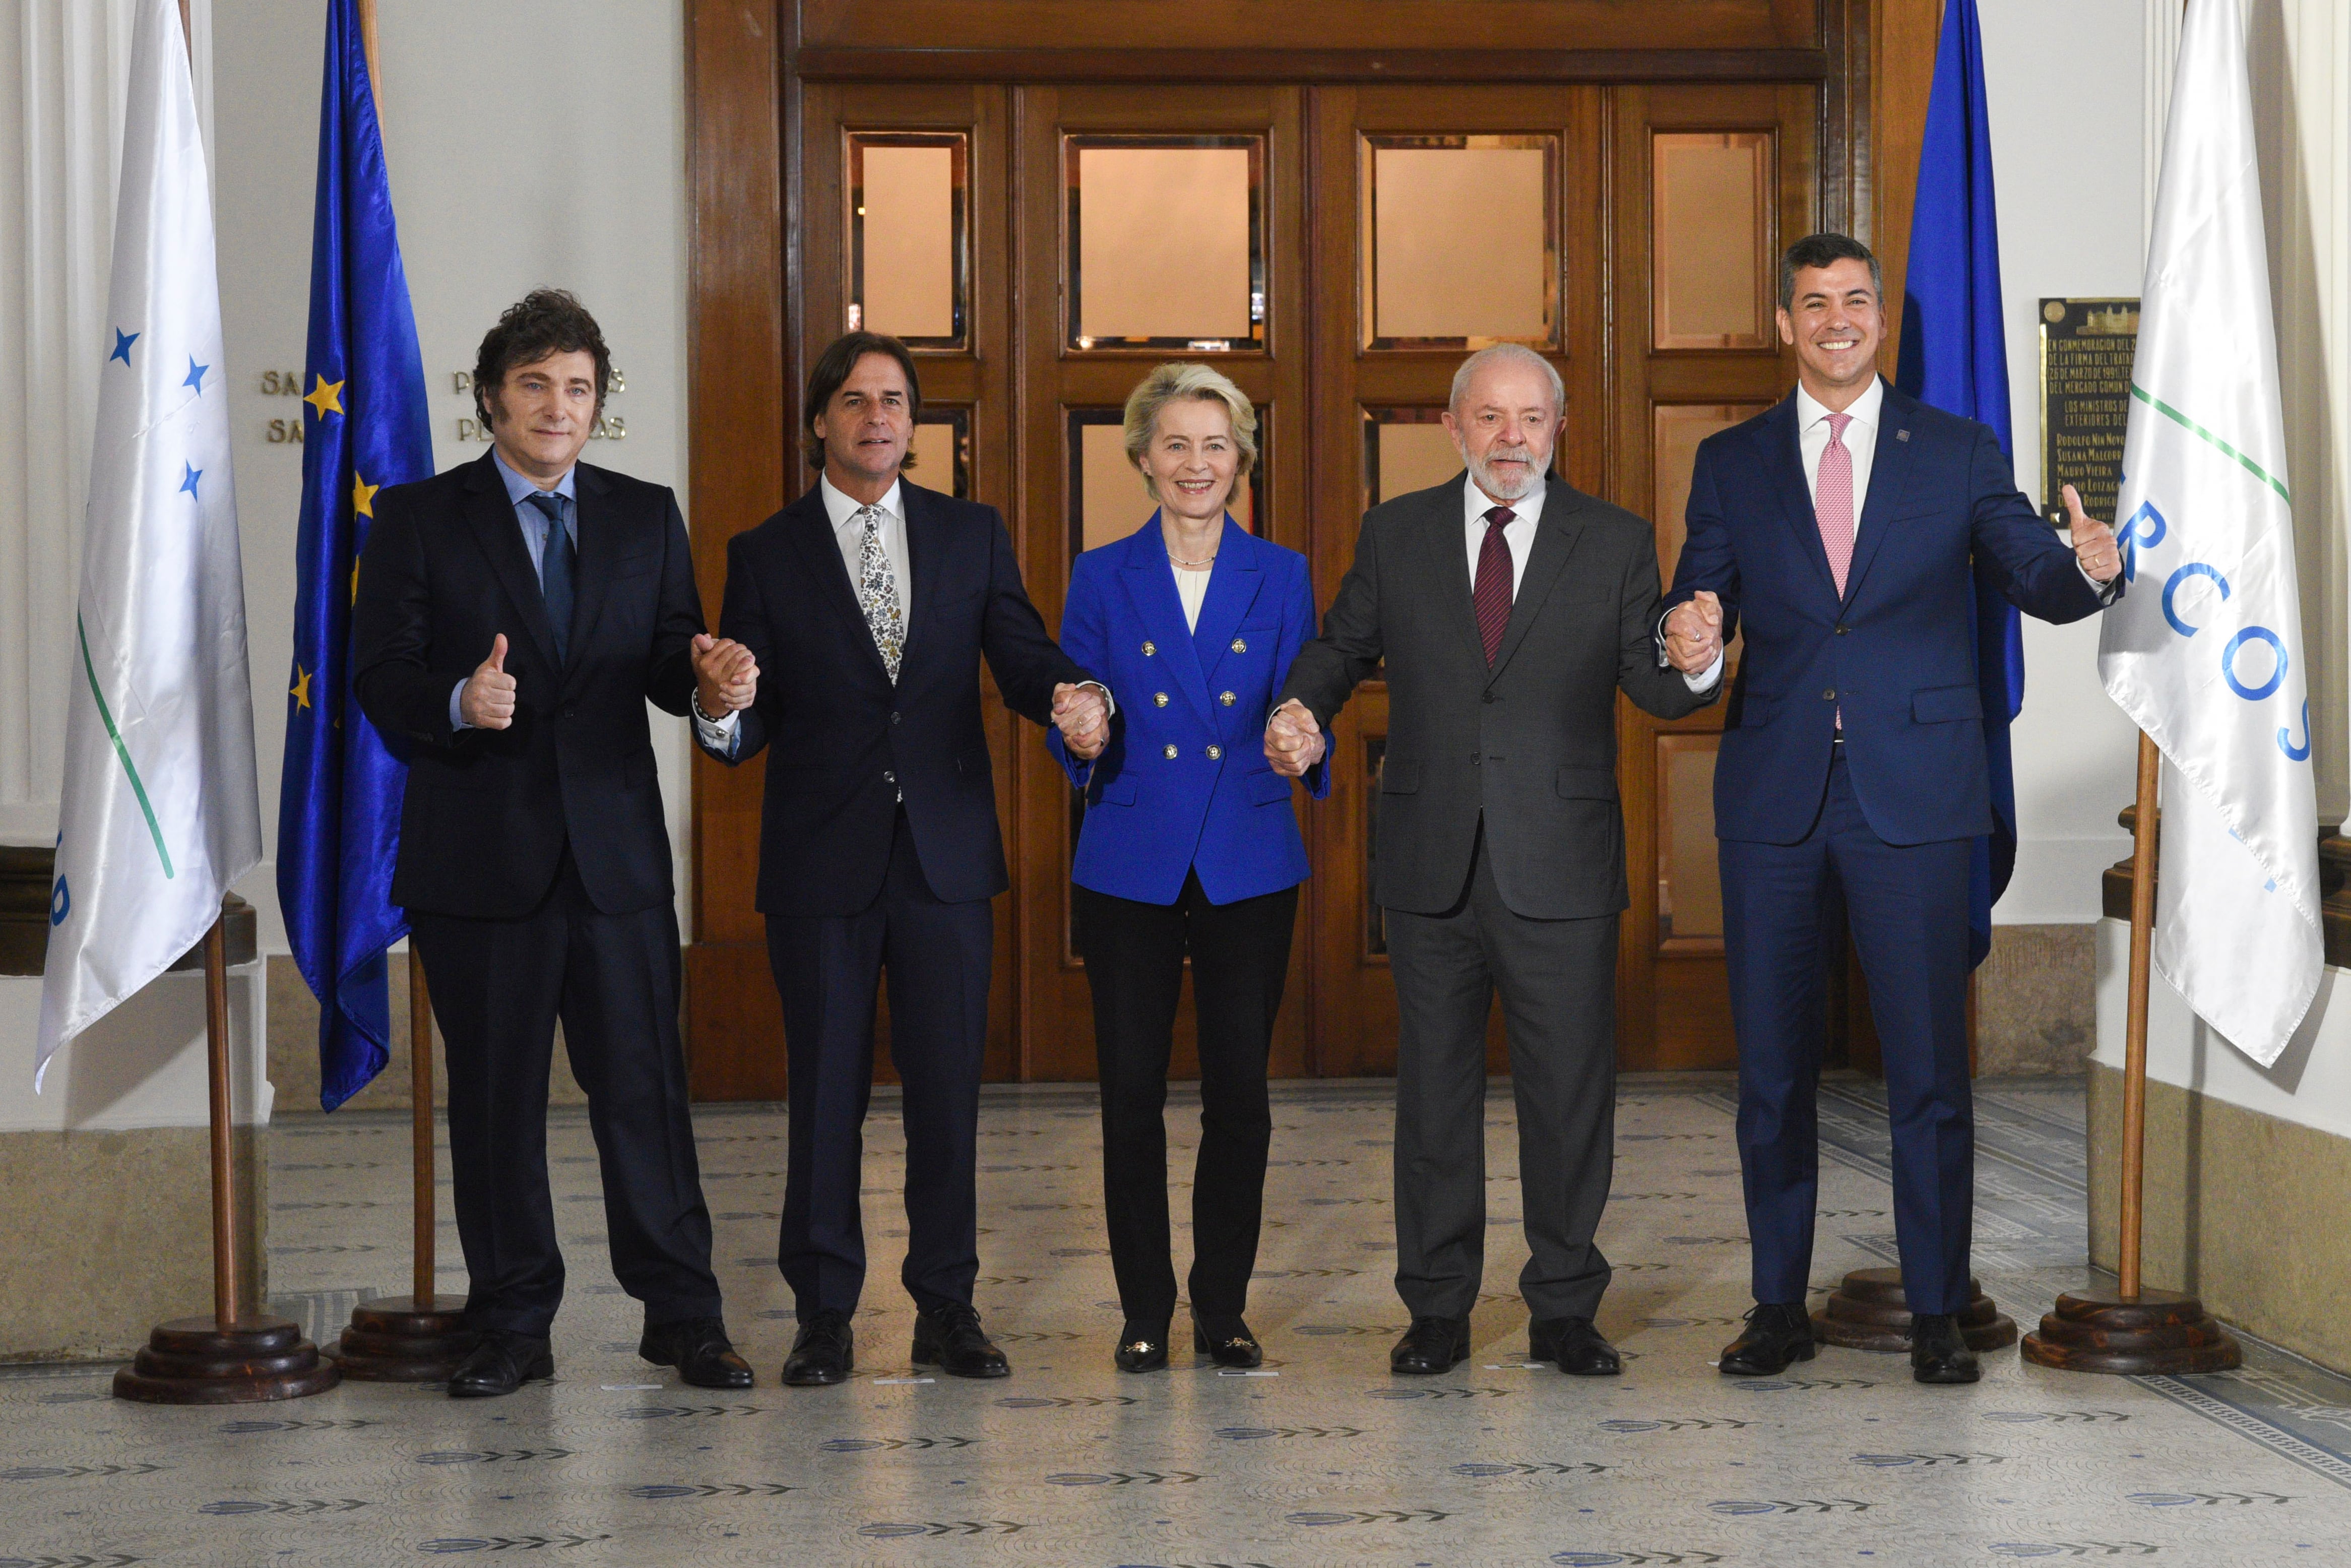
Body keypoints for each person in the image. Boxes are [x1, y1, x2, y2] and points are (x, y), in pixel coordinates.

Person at [1658, 234, 2122, 1385]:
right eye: (1812, 303)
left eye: (1853, 300)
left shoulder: (1956, 452)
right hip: (1774, 799)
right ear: (1782, 322)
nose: (1834, 320)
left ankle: (1930, 1308)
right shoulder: (1729, 460)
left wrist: (2090, 570)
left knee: (1926, 1068)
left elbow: (2029, 572)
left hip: (1914, 797)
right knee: (1770, 1070)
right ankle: (1774, 1302)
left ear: (1880, 320)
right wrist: (1689, 637)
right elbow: (1696, 593)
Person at [1264, 343, 1714, 1377]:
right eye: (1490, 418)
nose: (1511, 438)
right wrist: (1300, 704)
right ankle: (1435, 1307)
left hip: (1559, 860)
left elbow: (1650, 685)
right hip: (1431, 861)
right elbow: (1342, 646)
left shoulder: (1612, 541)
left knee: (1567, 1095)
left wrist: (1694, 659)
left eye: (1530, 418)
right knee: (1432, 1096)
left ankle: (1562, 1305)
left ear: (1558, 429)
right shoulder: (1396, 532)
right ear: (1453, 426)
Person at [352, 290, 752, 1398]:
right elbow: (377, 678)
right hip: (481, 867)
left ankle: (684, 1314)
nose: (557, 406)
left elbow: (670, 659)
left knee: (645, 1095)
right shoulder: (421, 518)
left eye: (577, 387)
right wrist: (453, 699)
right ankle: (513, 1323)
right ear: (492, 397)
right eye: (535, 384)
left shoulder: (643, 513)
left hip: (615, 863)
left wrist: (709, 684)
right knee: (496, 1105)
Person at [697, 331, 1111, 1387]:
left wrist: (1070, 695)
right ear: (818, 424)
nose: (877, 417)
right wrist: (719, 704)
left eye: (893, 401)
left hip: (944, 859)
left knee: (945, 1093)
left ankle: (946, 1308)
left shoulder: (968, 533)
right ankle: (824, 1315)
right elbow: (749, 705)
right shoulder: (767, 549)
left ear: (912, 425)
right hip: (820, 865)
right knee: (824, 1091)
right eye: (854, 401)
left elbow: (1018, 650)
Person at [1051, 364, 1327, 1373]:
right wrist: (1078, 725)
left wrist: (1306, 736)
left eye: (1214, 444)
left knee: (1238, 1095)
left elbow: (1303, 698)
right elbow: (1076, 704)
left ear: (1241, 459)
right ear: (1141, 458)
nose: (1195, 463)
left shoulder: (1283, 572)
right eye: (1174, 444)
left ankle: (1220, 1304)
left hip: (1247, 860)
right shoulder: (1099, 573)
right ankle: (1141, 1306)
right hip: (1130, 858)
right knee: (1129, 1089)